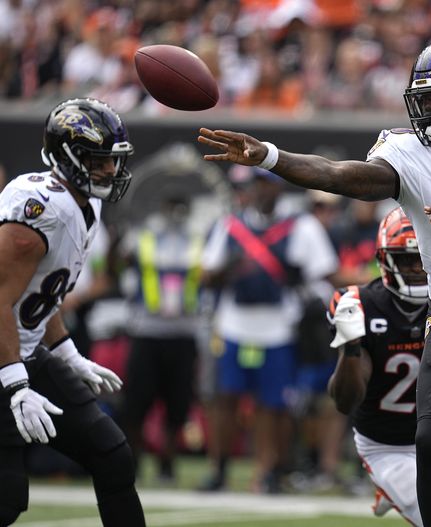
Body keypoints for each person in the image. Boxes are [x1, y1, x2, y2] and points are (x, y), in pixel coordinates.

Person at [199, 37, 431, 525]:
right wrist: (271, 156)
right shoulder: (409, 154)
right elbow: (337, 174)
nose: (428, 109)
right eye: (425, 98)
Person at [0, 98, 145, 525]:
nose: (109, 171)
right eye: (99, 161)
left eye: (112, 161)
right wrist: (16, 385)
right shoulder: (40, 211)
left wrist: (66, 353)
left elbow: (43, 294)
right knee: (5, 500)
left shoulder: (85, 203)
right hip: (5, 361)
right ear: (69, 156)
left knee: (111, 454)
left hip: (22, 352)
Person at [328, 207, 431, 526]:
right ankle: (388, 486)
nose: (416, 268)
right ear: (386, 260)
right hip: (388, 446)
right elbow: (346, 402)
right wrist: (351, 346)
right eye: (406, 259)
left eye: (422, 258)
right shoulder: (362, 305)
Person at [198, 166, 338, 493]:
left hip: (278, 328)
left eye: (268, 186)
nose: (261, 192)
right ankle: (218, 468)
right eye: (257, 185)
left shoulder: (300, 226)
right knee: (224, 400)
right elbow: (206, 273)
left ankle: (268, 469)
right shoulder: (231, 226)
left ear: (279, 190)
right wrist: (227, 269)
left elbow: (324, 272)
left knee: (272, 404)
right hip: (234, 325)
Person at [120, 195, 203, 483]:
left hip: (183, 330)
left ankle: (167, 463)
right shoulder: (144, 237)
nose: (175, 215)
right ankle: (132, 461)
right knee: (137, 401)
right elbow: (120, 264)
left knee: (177, 403)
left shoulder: (197, 241)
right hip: (147, 330)